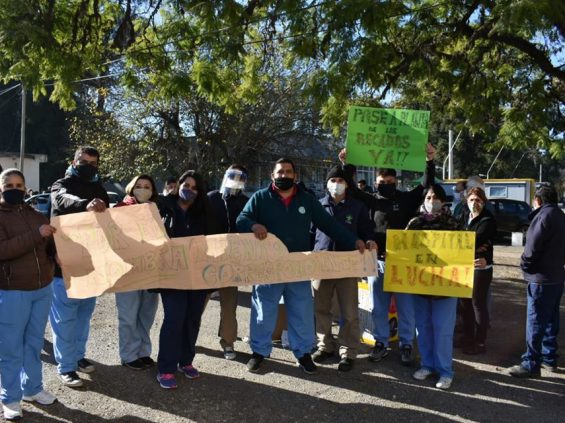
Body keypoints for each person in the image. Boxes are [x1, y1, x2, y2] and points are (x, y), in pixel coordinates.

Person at [237, 158, 367, 375]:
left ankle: (303, 353)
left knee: (301, 311)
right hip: (268, 266)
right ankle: (259, 352)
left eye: (288, 172)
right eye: (280, 172)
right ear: (273, 175)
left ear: (295, 176)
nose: (284, 176)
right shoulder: (260, 197)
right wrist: (253, 225)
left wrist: (353, 241)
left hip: (298, 267)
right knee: (263, 310)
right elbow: (242, 218)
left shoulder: (306, 199)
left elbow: (329, 224)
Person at [339, 143, 436, 366]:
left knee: (405, 307)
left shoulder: (406, 199)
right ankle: (381, 342)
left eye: (391, 182)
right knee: (378, 307)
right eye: (383, 183)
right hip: (377, 262)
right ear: (376, 183)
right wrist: (346, 164)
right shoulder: (371, 200)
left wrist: (430, 162)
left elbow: (425, 186)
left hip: (403, 262)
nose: (387, 185)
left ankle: (406, 344)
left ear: (397, 182)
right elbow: (351, 189)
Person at [49, 146, 109, 388]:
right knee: (64, 320)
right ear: (74, 162)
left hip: (90, 266)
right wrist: (86, 204)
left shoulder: (99, 189)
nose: (88, 166)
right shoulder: (60, 184)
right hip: (63, 266)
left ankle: (78, 356)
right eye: (84, 161)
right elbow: (62, 201)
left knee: (84, 317)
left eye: (93, 163)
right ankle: (65, 367)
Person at [0, 169, 58, 421]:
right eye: (9, 184)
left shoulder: (35, 213)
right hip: (13, 291)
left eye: (19, 185)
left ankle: (32, 389)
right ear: (0, 188)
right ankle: (10, 398)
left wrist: (54, 255)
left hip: (42, 288)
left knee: (34, 343)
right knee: (11, 347)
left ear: (25, 187)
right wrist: (37, 234)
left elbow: (46, 246)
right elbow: (3, 250)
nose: (15, 189)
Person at [155, 171, 220, 389]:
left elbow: (216, 243)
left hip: (197, 276)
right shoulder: (163, 206)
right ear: (177, 184)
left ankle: (186, 361)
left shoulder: (206, 213)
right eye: (185, 184)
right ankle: (166, 368)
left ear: (199, 192)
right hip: (171, 275)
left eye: (194, 187)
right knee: (174, 319)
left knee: (192, 319)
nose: (188, 189)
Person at [311, 165, 376, 372]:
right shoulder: (317, 206)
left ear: (347, 185)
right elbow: (310, 233)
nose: (336, 184)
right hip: (321, 263)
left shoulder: (357, 207)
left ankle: (348, 351)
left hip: (348, 264)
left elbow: (367, 230)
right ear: (327, 183)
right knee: (321, 308)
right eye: (333, 180)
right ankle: (325, 345)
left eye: (341, 181)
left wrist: (370, 241)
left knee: (349, 312)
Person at [406, 184, 461, 390]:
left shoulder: (453, 223)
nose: (432, 201)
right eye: (428, 197)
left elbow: (462, 251)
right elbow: (405, 250)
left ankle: (446, 371)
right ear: (423, 200)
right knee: (423, 328)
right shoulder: (414, 223)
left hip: (446, 286)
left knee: (443, 329)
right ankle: (427, 365)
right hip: (420, 285)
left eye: (436, 197)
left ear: (443, 200)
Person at [509, 185, 565, 378]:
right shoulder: (560, 216)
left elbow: (531, 250)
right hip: (557, 277)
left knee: (535, 322)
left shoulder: (542, 217)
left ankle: (531, 363)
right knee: (551, 319)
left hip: (540, 279)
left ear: (538, 200)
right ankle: (549, 359)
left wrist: (524, 266)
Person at [113, 175, 160, 370]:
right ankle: (128, 355)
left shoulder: (156, 210)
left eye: (147, 186)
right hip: (127, 272)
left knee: (146, 315)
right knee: (128, 315)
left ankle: (143, 352)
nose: (142, 189)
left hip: (151, 270)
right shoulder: (119, 210)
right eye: (139, 186)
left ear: (153, 190)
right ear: (131, 188)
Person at [207, 165, 249, 360]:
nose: (235, 180)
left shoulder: (246, 202)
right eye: (232, 176)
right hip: (207, 261)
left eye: (240, 178)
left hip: (232, 263)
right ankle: (187, 338)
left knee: (229, 305)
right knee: (197, 303)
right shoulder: (211, 198)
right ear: (224, 176)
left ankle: (228, 341)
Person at [460, 187, 497, 354]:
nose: (474, 203)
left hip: (480, 268)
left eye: (478, 200)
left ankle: (480, 342)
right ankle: (468, 338)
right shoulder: (463, 217)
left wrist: (473, 246)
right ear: (466, 201)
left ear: (484, 202)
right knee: (465, 304)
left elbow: (474, 241)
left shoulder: (488, 220)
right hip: (464, 266)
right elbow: (457, 238)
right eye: (471, 200)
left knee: (477, 304)